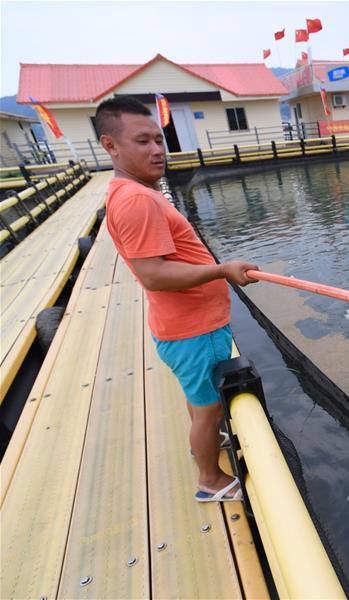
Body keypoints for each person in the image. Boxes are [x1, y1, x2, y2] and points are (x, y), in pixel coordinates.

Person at [97, 96, 257, 502]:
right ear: (110, 145)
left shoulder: (136, 192)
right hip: (193, 331)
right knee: (208, 409)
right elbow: (152, 274)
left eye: (158, 139)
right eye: (142, 141)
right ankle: (210, 481)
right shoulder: (136, 200)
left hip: (184, 327)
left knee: (200, 401)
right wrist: (222, 270)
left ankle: (203, 444)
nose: (156, 150)